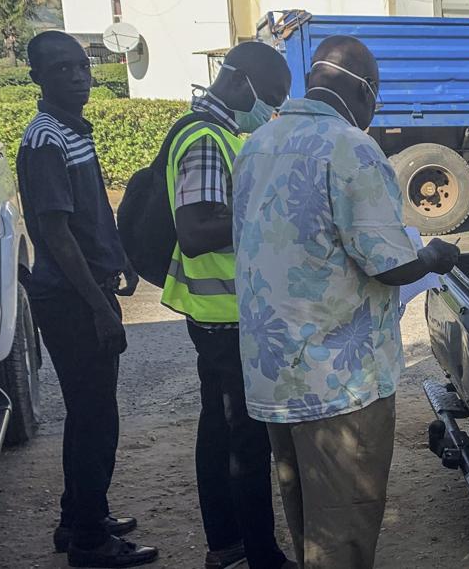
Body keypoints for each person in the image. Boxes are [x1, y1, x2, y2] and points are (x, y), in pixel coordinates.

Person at [232, 35, 460, 569]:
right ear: (364, 92)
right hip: (339, 385)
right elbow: (389, 262)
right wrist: (431, 256)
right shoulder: (350, 147)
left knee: (307, 522)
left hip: (274, 375)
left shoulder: (256, 144)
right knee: (344, 532)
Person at [16, 31, 159, 567]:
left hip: (89, 290)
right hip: (72, 301)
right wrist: (100, 308)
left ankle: (79, 518)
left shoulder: (74, 130)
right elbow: (55, 234)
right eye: (62, 69)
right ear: (38, 78)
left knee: (89, 416)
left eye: (82, 66)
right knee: (94, 419)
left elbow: (89, 212)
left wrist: (119, 258)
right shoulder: (45, 139)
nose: (79, 76)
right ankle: (91, 544)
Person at [162, 42, 293, 569]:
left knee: (219, 431)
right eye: (271, 99)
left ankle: (227, 545)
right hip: (224, 316)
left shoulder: (218, 134)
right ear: (240, 83)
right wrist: (270, 214)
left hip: (221, 312)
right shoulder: (204, 139)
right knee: (245, 442)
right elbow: (194, 232)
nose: (273, 112)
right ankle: (258, 554)